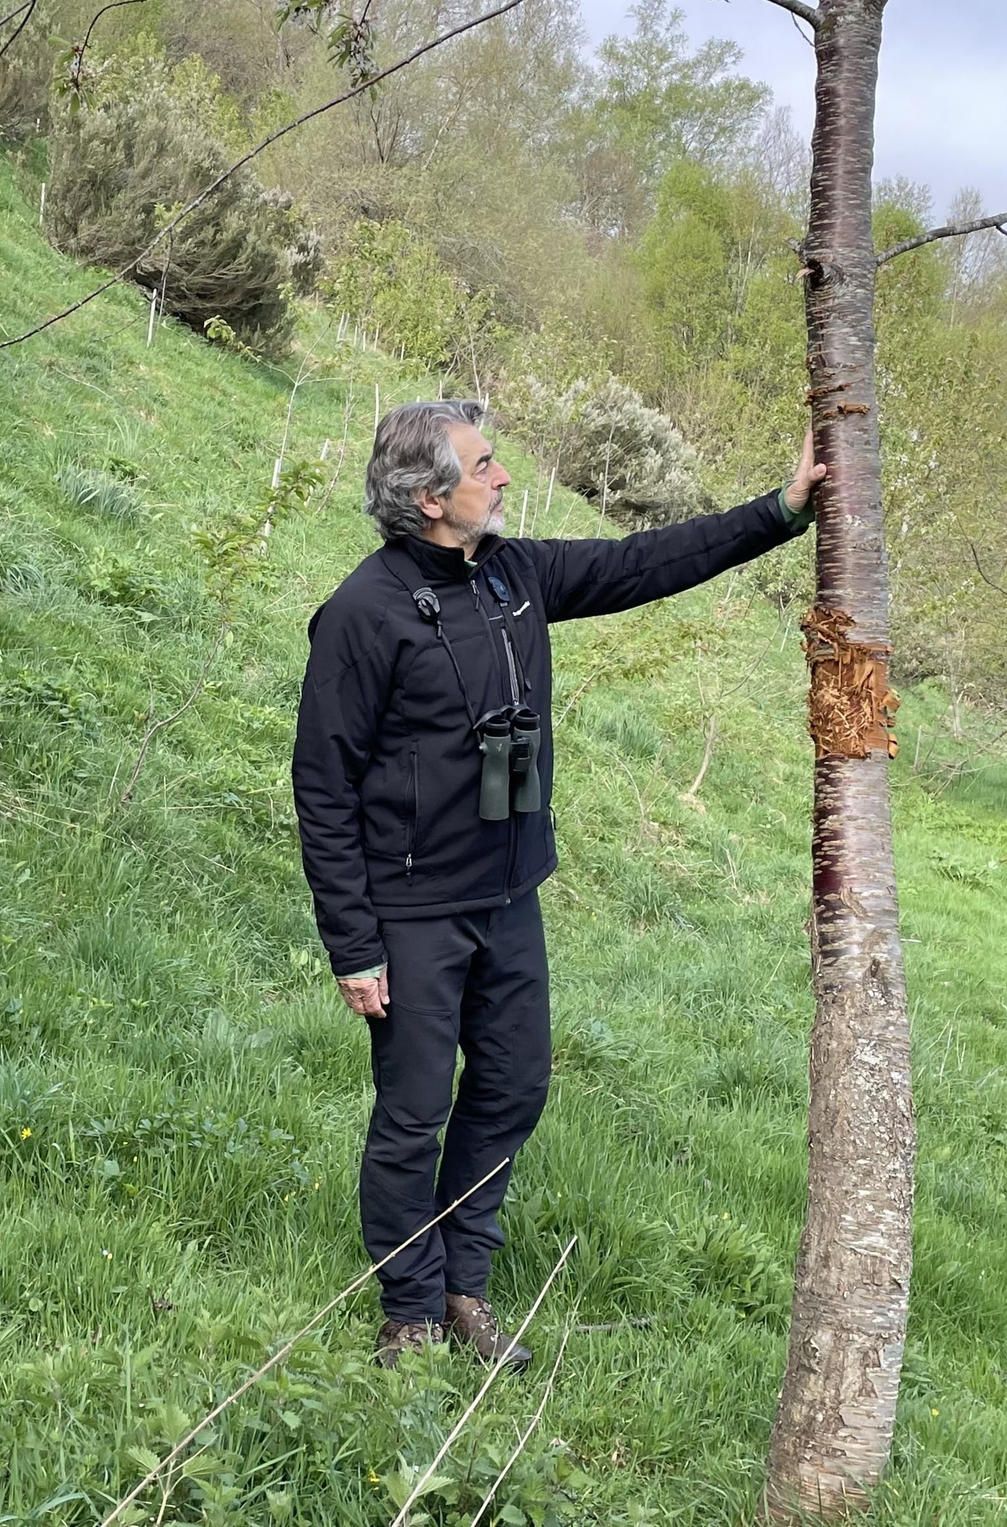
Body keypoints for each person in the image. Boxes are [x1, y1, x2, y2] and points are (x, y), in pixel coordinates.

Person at [290, 399, 822, 1368]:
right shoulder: (363, 614)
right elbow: (322, 784)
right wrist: (353, 943)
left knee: (512, 1085)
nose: (501, 477)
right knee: (413, 1110)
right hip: (411, 909)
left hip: (508, 894)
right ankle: (406, 1310)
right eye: (483, 465)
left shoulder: (511, 574)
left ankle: (462, 1285)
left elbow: (641, 563)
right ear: (427, 495)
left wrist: (780, 509)